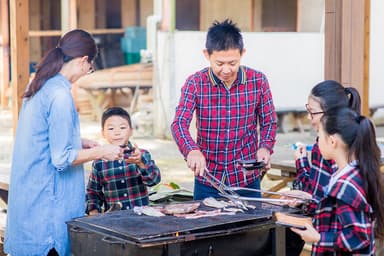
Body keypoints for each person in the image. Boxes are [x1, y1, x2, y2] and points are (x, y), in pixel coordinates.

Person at [5, 29, 124, 256]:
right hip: (46, 210)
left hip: (29, 205)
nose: (87, 72)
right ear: (83, 61)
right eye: (90, 68)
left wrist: (78, 140)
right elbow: (61, 159)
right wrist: (102, 151)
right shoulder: (60, 95)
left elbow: (41, 136)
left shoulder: (41, 85)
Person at [171, 19, 277, 200]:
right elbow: (179, 124)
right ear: (207, 54)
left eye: (233, 63)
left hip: (246, 179)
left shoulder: (258, 81)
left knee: (252, 228)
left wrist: (265, 147)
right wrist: (192, 150)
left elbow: (269, 121)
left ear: (242, 53)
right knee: (208, 227)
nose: (226, 70)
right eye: (219, 63)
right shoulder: (195, 83)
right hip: (209, 181)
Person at [291, 107, 384, 255]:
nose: (317, 141)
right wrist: (309, 199)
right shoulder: (351, 172)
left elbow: (359, 236)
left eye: (319, 136)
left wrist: (319, 237)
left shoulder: (346, 186)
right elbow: (335, 210)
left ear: (332, 141)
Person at [289, 80, 361, 208]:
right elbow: (316, 193)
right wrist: (302, 163)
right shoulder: (353, 138)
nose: (308, 117)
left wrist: (301, 164)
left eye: (312, 112)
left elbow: (324, 204)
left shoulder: (330, 148)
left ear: (330, 115)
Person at [86, 107, 161, 214]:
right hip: (114, 220)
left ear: (131, 131)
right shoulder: (99, 161)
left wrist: (140, 163)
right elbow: (93, 191)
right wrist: (93, 211)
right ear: (103, 133)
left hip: (142, 218)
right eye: (111, 128)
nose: (117, 132)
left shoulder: (142, 154)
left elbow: (154, 181)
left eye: (122, 127)